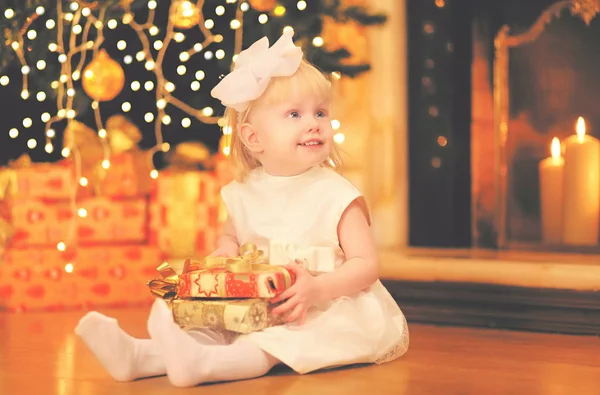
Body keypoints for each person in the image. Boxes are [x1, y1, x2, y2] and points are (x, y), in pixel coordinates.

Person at [75, 29, 409, 388]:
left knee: (274, 342)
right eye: (295, 114)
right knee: (216, 325)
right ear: (253, 138)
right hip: (256, 302)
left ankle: (202, 367)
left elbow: (367, 265)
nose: (314, 123)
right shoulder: (244, 192)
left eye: (321, 113)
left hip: (323, 307)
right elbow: (231, 236)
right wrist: (225, 251)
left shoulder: (336, 194)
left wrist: (316, 289)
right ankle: (141, 357)